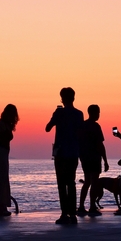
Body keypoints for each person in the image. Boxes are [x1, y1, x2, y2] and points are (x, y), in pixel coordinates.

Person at [45, 88, 84, 225]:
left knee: (62, 184)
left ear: (62, 98)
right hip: (73, 152)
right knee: (71, 183)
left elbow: (48, 128)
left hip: (61, 153)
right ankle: (72, 214)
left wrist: (55, 116)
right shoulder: (79, 114)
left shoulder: (59, 113)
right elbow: (80, 134)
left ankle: (64, 214)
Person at [77, 104, 108, 216]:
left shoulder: (82, 126)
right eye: (98, 113)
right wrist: (105, 160)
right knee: (94, 182)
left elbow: (79, 142)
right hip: (94, 157)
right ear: (94, 113)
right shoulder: (95, 126)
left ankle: (81, 206)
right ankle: (92, 206)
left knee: (87, 182)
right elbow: (100, 144)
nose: (98, 115)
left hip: (85, 158)